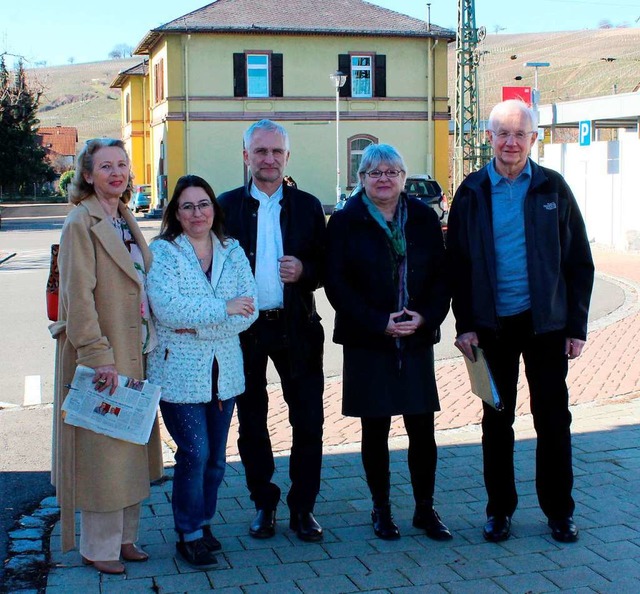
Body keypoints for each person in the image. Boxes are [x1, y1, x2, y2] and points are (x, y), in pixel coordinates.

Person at [447, 99, 595, 544]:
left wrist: (576, 326)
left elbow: (579, 261)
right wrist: (465, 324)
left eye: (520, 134)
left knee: (553, 419)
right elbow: (455, 264)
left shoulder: (553, 188)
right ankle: (499, 511)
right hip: (491, 328)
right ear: (489, 137)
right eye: (502, 134)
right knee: (496, 419)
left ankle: (559, 512)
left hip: (546, 325)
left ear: (534, 139)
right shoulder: (471, 192)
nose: (511, 143)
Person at [325, 143, 452, 541]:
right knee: (375, 430)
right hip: (369, 340)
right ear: (361, 179)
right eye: (374, 173)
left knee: (422, 429)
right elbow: (337, 285)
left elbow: (441, 277)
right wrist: (379, 322)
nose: (383, 179)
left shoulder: (423, 219)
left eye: (391, 172)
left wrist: (426, 316)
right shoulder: (346, 222)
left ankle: (425, 510)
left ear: (403, 176)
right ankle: (381, 510)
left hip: (414, 339)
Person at [50, 138, 163, 574]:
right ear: (88, 174)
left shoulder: (123, 216)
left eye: (122, 164)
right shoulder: (81, 220)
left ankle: (125, 539)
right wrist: (99, 356)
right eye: (106, 166)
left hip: (135, 349)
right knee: (104, 452)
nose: (116, 172)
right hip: (105, 353)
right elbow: (78, 298)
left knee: (129, 445)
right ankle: (98, 547)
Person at [218, 119, 326, 542]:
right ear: (246, 156)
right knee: (252, 422)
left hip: (296, 327)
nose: (269, 159)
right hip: (244, 332)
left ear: (287, 157)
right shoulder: (224, 206)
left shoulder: (308, 205)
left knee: (309, 421)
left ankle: (304, 508)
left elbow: (326, 264)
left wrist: (304, 270)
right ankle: (264, 502)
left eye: (276, 152)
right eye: (260, 151)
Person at [146, 175, 257, 569]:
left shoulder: (233, 251)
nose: (197, 213)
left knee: (216, 461)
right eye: (188, 206)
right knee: (195, 453)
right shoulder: (163, 253)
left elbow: (250, 310)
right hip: (179, 372)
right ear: (176, 213)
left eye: (204, 204)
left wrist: (203, 321)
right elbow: (167, 309)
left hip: (224, 372)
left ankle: (204, 523)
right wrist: (223, 309)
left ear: (215, 208)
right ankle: (188, 533)